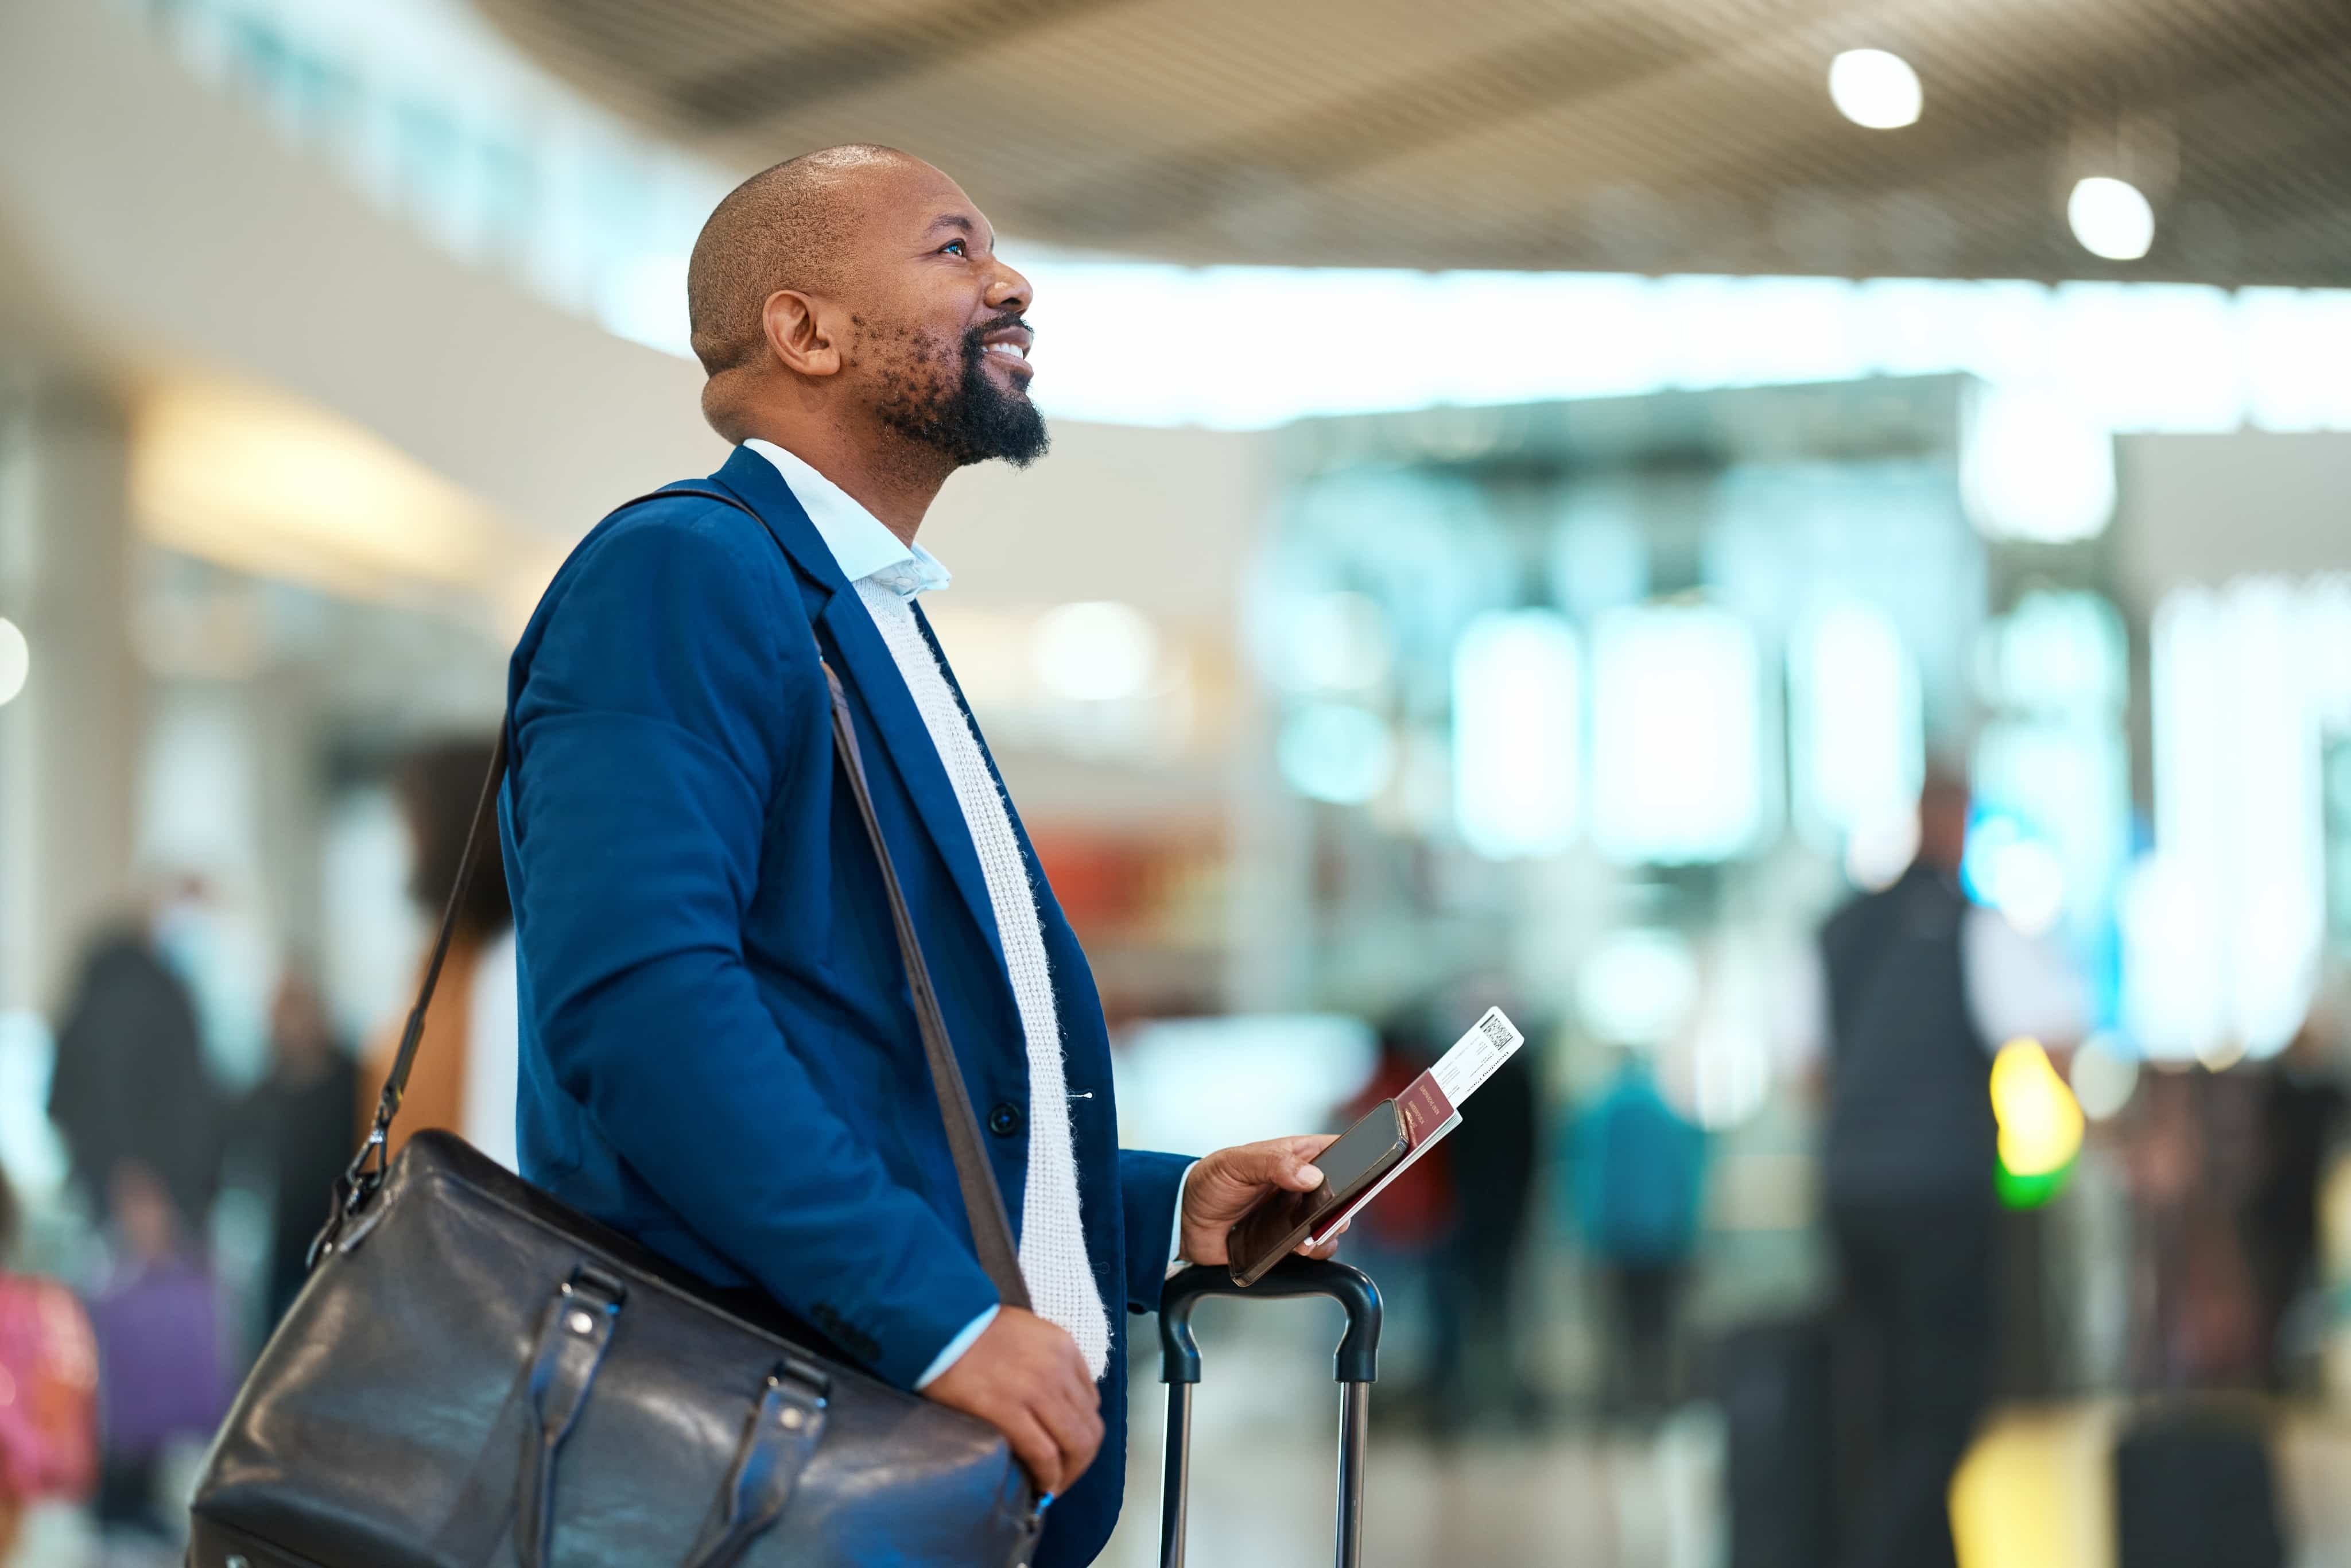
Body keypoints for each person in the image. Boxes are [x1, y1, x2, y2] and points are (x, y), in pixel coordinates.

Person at [499, 144, 1339, 1567]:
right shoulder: (683, 574)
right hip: (765, 1486)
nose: (1011, 282)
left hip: (891, 1486)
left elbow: (892, 1086)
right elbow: (641, 1010)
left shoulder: (863, 618)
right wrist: (937, 1318)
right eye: (953, 251)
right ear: (804, 329)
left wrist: (1151, 1213)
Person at [1807, 771, 2085, 1568]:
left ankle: (1913, 1547)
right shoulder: (1975, 927)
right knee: (1946, 1395)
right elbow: (2053, 1033)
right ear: (1955, 820)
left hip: (1852, 1190)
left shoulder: (1839, 930)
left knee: (1877, 1392)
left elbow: (1808, 1071)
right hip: (1943, 1192)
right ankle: (1895, 1550)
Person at [359, 739, 519, 1170]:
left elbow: (493, 1145)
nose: (409, 848)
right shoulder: (441, 963)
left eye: (415, 825)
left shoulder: (507, 968)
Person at [1572, 1047, 1705, 1419]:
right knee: (1658, 1329)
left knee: (1618, 1328)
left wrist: (1591, 1234)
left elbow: (1589, 1179)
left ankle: (1622, 1407)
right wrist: (1687, 1233)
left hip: (1615, 1240)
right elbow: (1686, 1178)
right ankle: (1657, 1402)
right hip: (1663, 1241)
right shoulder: (1666, 1114)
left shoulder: (1602, 1113)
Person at [236, 969, 360, 1329]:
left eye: (298, 1008)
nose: (291, 1024)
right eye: (281, 1012)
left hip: (346, 1245)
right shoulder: (262, 1097)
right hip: (285, 1251)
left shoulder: (353, 1082)